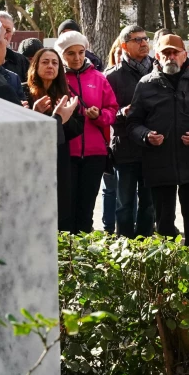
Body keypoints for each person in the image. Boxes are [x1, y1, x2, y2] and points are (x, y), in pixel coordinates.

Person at [127, 33, 189, 248]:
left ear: (184, 55)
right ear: (157, 57)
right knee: (163, 224)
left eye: (175, 52)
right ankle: (168, 266)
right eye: (165, 53)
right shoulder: (145, 84)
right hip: (159, 163)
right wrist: (146, 135)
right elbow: (133, 123)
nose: (170, 57)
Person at [59, 31, 118, 233]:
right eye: (70, 53)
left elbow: (113, 110)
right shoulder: (58, 80)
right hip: (67, 153)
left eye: (81, 52)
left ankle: (83, 257)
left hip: (95, 154)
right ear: (62, 55)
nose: (76, 58)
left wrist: (99, 116)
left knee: (86, 211)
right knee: (65, 211)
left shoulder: (99, 78)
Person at [105, 25, 156, 238]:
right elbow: (105, 112)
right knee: (124, 203)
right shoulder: (111, 77)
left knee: (149, 204)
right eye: (137, 40)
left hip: (152, 148)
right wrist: (120, 113)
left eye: (145, 39)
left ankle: (145, 248)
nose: (144, 43)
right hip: (125, 148)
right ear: (124, 46)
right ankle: (124, 246)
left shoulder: (158, 69)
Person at [24, 48, 83, 230]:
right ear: (35, 66)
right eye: (45, 62)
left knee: (59, 211)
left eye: (54, 63)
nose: (50, 66)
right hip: (30, 161)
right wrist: (34, 113)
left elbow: (77, 128)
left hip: (59, 159)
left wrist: (65, 118)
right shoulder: (23, 91)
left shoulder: (66, 93)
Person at [0, 11, 30, 82]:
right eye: (0, 29)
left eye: (8, 30)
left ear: (12, 33)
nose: (4, 34)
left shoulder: (21, 61)